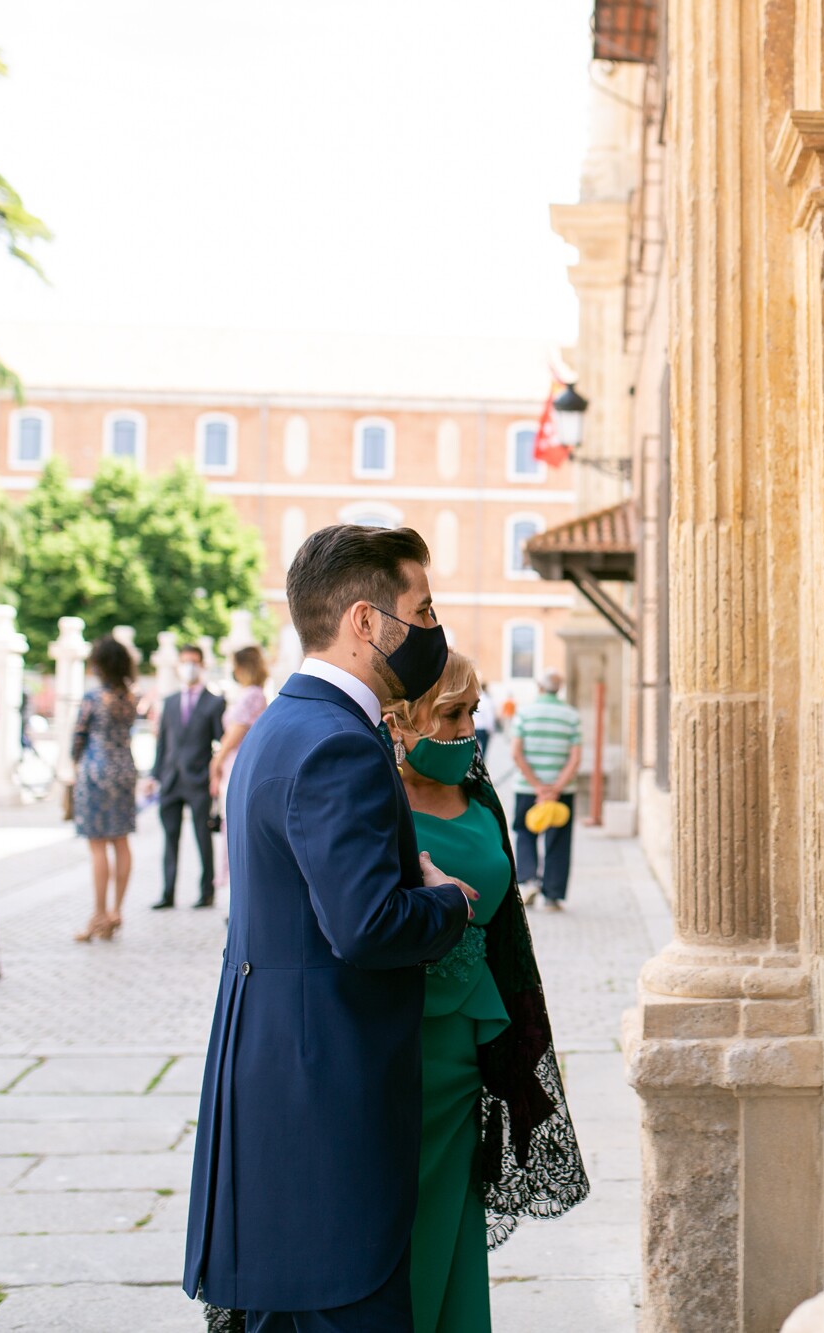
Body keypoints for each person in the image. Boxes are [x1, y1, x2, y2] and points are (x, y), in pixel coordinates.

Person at [185, 523, 476, 1330]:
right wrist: (448, 900)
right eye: (421, 609)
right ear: (363, 621)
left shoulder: (287, 723)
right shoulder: (335, 742)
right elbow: (368, 925)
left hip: (279, 1076)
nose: (431, 628)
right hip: (324, 1097)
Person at [387, 650, 588, 1331]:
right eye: (451, 713)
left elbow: (505, 929)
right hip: (395, 1050)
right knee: (397, 1233)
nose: (468, 728)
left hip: (468, 1053)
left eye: (472, 712)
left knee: (451, 1221)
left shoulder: (479, 796)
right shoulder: (373, 802)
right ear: (399, 718)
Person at [71, 636, 140, 942]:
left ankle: (98, 914)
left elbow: (78, 737)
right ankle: (116, 910)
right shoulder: (130, 697)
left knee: (98, 844)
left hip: (96, 771)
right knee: (121, 841)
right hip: (125, 769)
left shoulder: (93, 698)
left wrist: (74, 763)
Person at [148, 645, 225, 910]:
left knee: (203, 838)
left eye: (193, 662)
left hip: (199, 781)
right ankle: (167, 892)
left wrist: (215, 776)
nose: (188, 667)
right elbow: (163, 744)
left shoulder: (214, 702)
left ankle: (207, 893)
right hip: (170, 781)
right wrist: (154, 775)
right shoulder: (169, 702)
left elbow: (221, 743)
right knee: (169, 839)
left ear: (202, 665)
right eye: (184, 662)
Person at [509, 669, 582, 911]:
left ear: (539, 687)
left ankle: (528, 880)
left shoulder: (524, 713)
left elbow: (516, 753)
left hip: (528, 789)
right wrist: (555, 788)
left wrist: (538, 786)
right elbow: (575, 758)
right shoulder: (571, 716)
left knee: (525, 833)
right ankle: (552, 895)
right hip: (562, 792)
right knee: (559, 840)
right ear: (558, 689)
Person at [207, 646, 270, 893]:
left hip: (236, 764)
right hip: (235, 763)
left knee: (234, 828)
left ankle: (235, 892)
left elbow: (237, 731)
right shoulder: (250, 693)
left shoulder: (252, 694)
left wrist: (216, 761)